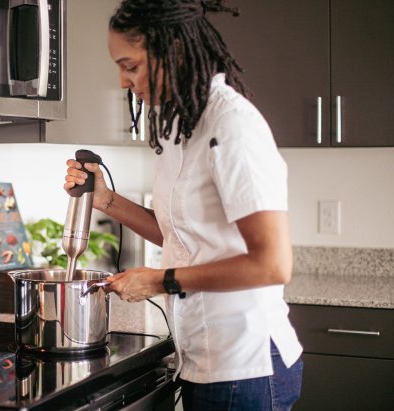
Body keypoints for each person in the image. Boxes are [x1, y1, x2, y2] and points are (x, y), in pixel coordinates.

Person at [63, 1, 303, 410]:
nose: (123, 81)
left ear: (172, 51)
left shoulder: (232, 126)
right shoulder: (182, 126)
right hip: (205, 359)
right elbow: (183, 234)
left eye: (131, 66)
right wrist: (106, 199)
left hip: (245, 367)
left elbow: (272, 265)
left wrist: (160, 280)